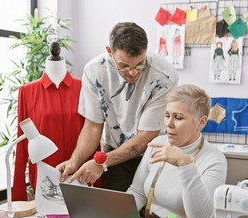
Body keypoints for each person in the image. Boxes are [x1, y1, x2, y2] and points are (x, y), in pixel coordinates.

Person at [57, 22, 179, 192]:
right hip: (114, 155)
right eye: (124, 65)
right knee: (117, 214)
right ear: (109, 52)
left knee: (153, 215)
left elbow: (146, 137)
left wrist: (102, 162)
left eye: (140, 64)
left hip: (154, 154)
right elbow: (92, 127)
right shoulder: (94, 71)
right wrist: (74, 161)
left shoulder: (164, 76)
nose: (133, 72)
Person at [126, 84, 227, 218]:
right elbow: (138, 192)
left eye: (178, 117)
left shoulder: (214, 159)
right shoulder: (157, 143)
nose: (168, 124)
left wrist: (185, 165)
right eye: (167, 115)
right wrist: (115, 217)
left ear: (201, 122)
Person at [12, 42, 85, 201]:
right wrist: (19, 196)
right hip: (44, 177)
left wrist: (97, 183)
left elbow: (91, 133)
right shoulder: (27, 92)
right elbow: (22, 143)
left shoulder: (83, 87)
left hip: (78, 175)